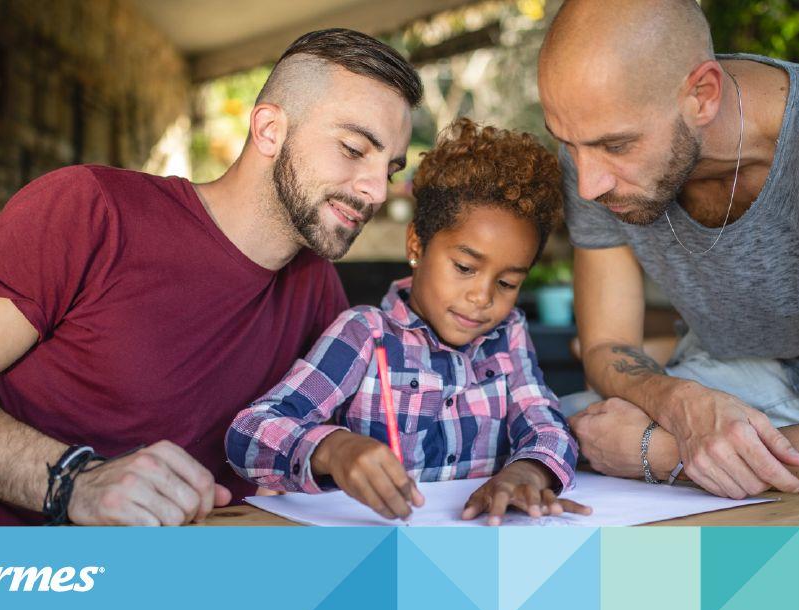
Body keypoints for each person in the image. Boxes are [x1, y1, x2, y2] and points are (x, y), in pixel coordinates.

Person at [0, 29, 420, 525]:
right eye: (353, 149)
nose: (375, 189)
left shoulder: (315, 283)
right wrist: (76, 482)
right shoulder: (88, 208)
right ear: (269, 130)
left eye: (389, 167)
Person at [537, 0, 799, 498]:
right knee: (529, 438)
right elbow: (607, 346)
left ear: (702, 95)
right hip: (699, 378)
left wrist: (661, 452)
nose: (588, 185)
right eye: (568, 143)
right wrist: (680, 404)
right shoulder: (591, 142)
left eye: (617, 146)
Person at [226, 119, 590, 526]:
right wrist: (334, 449)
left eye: (507, 283)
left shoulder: (508, 335)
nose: (483, 297)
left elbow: (548, 423)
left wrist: (530, 471)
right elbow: (250, 432)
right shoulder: (365, 334)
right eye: (465, 267)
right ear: (416, 243)